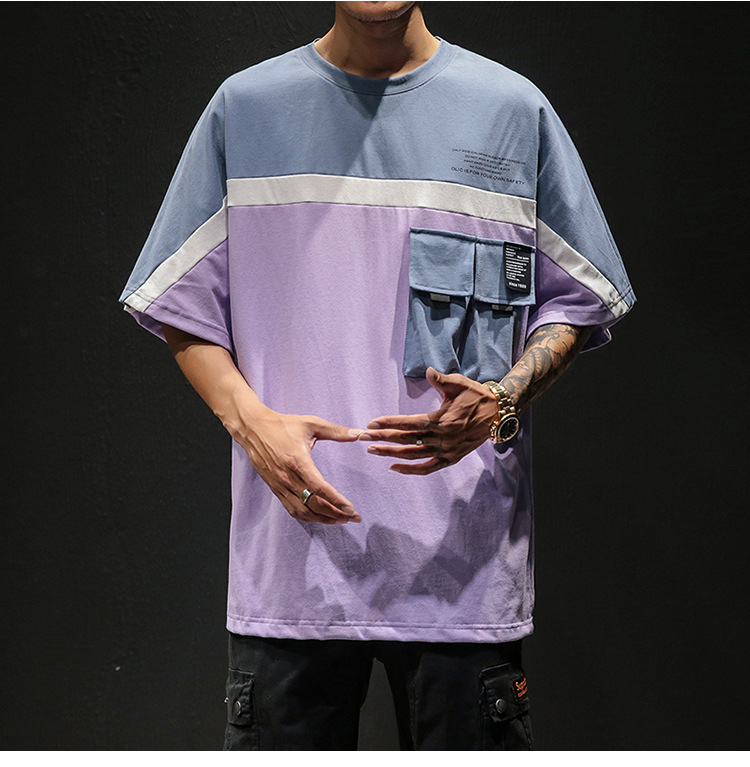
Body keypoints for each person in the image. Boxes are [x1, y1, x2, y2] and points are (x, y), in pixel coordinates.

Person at [119, 1, 634, 751]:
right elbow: (181, 300)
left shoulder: (511, 111)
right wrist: (250, 424)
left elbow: (577, 296)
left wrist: (504, 395)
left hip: (462, 574)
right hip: (291, 571)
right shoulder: (246, 108)